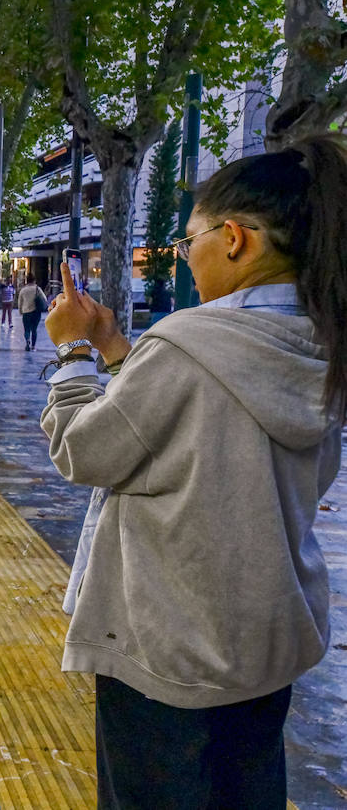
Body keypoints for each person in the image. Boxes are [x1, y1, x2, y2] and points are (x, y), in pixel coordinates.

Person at [40, 135, 347, 809]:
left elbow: (86, 451)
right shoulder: (323, 346)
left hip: (168, 647)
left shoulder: (188, 342)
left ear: (233, 239)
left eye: (189, 242)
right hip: (267, 642)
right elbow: (200, 429)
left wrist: (72, 353)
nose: (187, 256)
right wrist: (121, 353)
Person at [16, 274, 48, 352]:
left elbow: (20, 302)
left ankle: (27, 341)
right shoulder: (37, 289)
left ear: (27, 281)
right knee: (34, 329)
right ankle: (33, 346)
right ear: (34, 280)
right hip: (36, 312)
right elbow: (45, 299)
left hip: (26, 312)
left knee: (27, 329)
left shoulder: (23, 290)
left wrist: (20, 311)